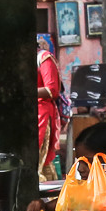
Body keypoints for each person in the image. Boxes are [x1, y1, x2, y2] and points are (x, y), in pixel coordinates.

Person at [36, 41, 64, 181]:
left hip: (42, 113)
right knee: (43, 163)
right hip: (32, 112)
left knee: (39, 160)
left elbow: (52, 90)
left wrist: (25, 92)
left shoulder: (44, 57)